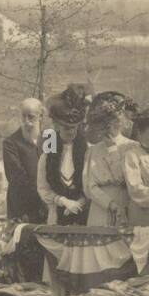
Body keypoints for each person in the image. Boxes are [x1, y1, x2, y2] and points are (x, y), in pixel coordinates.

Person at [82, 92, 136, 227]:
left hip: (126, 205)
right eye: (104, 123)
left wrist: (112, 149)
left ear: (121, 121)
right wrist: (110, 204)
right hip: (100, 209)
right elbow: (89, 186)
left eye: (113, 121)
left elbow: (126, 178)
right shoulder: (92, 151)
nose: (109, 127)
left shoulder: (132, 147)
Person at [38, 85, 90, 226]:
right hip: (57, 216)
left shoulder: (88, 152)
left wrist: (79, 203)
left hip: (86, 216)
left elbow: (93, 184)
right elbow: (43, 188)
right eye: (67, 127)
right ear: (57, 126)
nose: (71, 132)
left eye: (74, 127)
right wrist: (63, 201)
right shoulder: (48, 155)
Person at [2, 98, 49, 225]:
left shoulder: (50, 139)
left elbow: (57, 170)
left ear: (41, 117)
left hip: (51, 208)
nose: (27, 122)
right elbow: (18, 179)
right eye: (23, 117)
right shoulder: (10, 144)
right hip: (24, 211)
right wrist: (45, 201)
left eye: (31, 117)